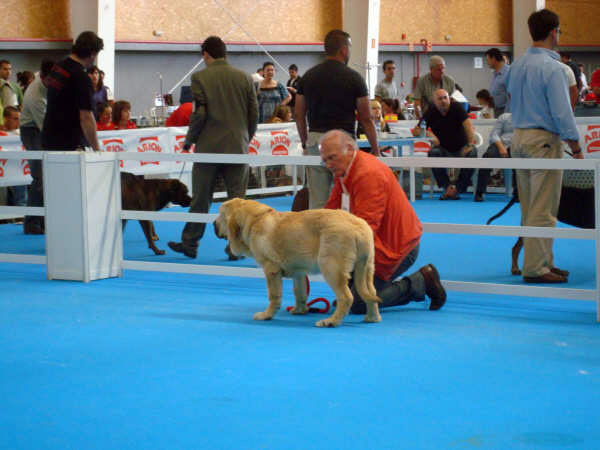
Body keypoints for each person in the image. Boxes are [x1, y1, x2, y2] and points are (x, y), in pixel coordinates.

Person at [320, 130, 446, 314]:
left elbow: (366, 228)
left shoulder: (367, 174)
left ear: (348, 149)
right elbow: (331, 210)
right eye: (325, 160)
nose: (328, 165)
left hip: (397, 247)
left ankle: (421, 281)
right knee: (345, 289)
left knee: (357, 304)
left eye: (332, 158)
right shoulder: (347, 167)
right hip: (379, 244)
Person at [505, 8, 583, 284]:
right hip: (542, 142)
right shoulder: (554, 68)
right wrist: (575, 146)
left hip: (519, 138)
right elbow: (563, 113)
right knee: (544, 207)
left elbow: (508, 98)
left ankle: (542, 261)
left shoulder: (516, 66)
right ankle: (536, 267)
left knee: (529, 206)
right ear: (554, 32)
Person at [168, 36, 258, 259]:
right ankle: (235, 248)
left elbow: (200, 114)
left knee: (201, 198)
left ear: (205, 54)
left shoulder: (200, 77)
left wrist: (189, 140)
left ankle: (190, 242)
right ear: (225, 53)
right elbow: (254, 113)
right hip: (238, 146)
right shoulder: (245, 78)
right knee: (238, 200)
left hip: (208, 148)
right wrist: (246, 136)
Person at [295, 29, 379, 209]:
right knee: (348, 198)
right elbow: (366, 117)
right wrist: (376, 148)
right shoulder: (355, 78)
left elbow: (299, 114)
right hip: (343, 143)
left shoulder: (307, 77)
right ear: (343, 50)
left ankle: (318, 236)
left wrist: (304, 142)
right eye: (349, 47)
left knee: (317, 201)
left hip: (315, 140)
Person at [42, 30, 104, 152]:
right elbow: (86, 117)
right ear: (92, 54)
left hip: (48, 139)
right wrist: (97, 149)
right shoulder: (81, 77)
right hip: (68, 144)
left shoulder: (58, 67)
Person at [418, 89, 477, 200]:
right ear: (434, 102)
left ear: (449, 99)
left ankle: (458, 189)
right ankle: (447, 187)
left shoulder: (457, 108)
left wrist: (469, 145)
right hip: (443, 149)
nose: (443, 101)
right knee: (433, 153)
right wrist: (430, 134)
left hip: (462, 147)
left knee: (472, 153)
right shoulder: (431, 111)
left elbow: (469, 126)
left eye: (445, 98)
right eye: (440, 99)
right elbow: (417, 129)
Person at [19, 60, 54, 235]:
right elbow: (47, 130)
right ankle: (31, 222)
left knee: (50, 178)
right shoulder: (35, 97)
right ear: (45, 77)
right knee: (40, 178)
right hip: (32, 131)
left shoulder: (48, 80)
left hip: (42, 128)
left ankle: (44, 220)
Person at [474, 112, 514, 202]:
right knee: (487, 157)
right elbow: (494, 134)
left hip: (517, 146)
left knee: (520, 160)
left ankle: (518, 194)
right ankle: (480, 192)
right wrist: (501, 147)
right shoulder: (504, 116)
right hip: (500, 144)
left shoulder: (528, 119)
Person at [485, 48, 509, 116]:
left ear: (493, 59)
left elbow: (511, 95)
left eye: (488, 60)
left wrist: (507, 114)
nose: (487, 63)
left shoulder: (509, 73)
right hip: (497, 110)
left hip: (506, 111)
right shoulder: (495, 74)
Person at [0, 59, 23, 127]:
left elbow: (21, 105)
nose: (8, 72)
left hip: (13, 122)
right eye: (5, 69)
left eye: (10, 69)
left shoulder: (16, 87)